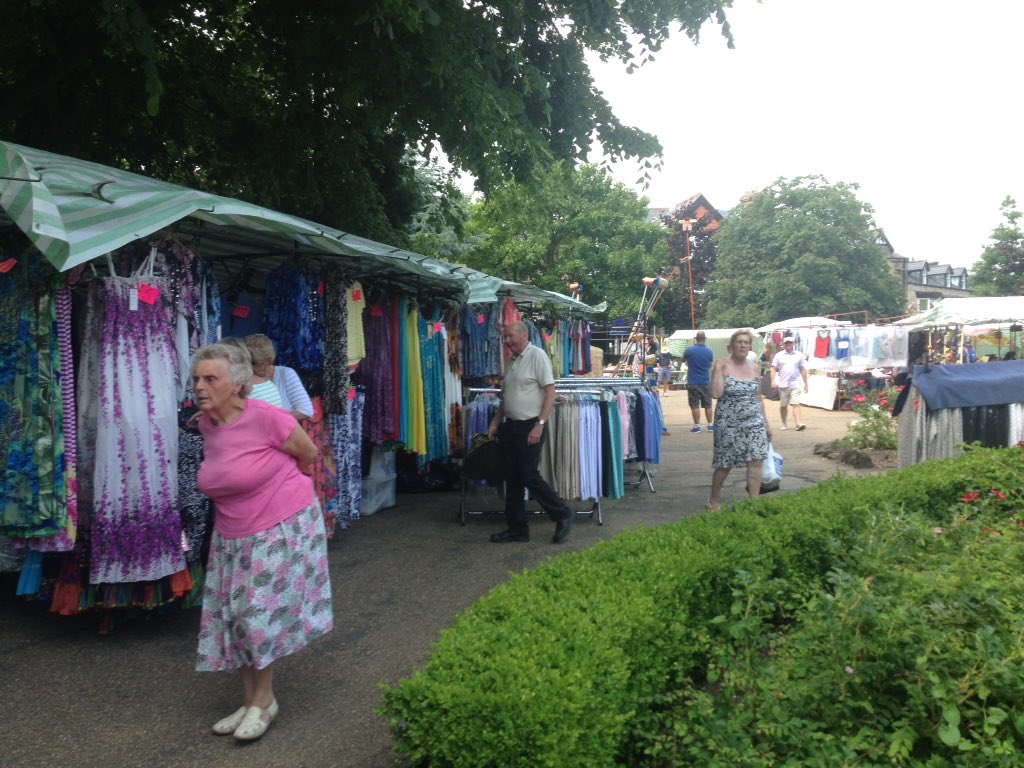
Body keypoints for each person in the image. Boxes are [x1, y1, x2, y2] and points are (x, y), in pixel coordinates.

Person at [191, 343, 332, 741]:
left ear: (237, 384)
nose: (199, 386)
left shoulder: (269, 418)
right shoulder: (206, 424)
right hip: (231, 533)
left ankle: (264, 702)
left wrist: (277, 488)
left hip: (278, 524)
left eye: (210, 378)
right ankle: (249, 698)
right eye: (197, 378)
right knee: (233, 615)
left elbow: (307, 454)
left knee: (256, 614)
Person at [486, 321, 574, 544]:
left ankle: (562, 513)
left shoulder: (537, 356)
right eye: (505, 337)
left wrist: (540, 424)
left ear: (524, 335)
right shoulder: (513, 361)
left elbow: (550, 393)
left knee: (528, 475)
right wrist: (496, 421)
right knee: (513, 479)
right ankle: (517, 529)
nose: (506, 341)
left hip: (530, 427)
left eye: (509, 336)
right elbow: (508, 397)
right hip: (511, 427)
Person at [707, 329, 772, 510]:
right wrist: (718, 370)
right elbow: (715, 393)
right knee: (725, 463)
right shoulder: (723, 365)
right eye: (739, 342)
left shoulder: (755, 367)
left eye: (746, 342)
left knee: (756, 460)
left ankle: (754, 501)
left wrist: (766, 424)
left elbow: (758, 398)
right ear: (731, 346)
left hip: (753, 420)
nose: (743, 345)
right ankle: (714, 500)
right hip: (728, 422)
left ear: (750, 347)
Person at [245, 333, 314, 421]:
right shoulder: (243, 378)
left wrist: (273, 419)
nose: (250, 367)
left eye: (254, 363)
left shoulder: (286, 374)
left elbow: (306, 411)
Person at [771, 336, 809, 431]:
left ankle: (798, 423)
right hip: (783, 383)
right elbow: (773, 368)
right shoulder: (778, 355)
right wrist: (772, 381)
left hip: (795, 383)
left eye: (790, 343)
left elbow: (802, 369)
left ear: (793, 344)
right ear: (783, 344)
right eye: (786, 343)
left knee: (795, 403)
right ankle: (784, 423)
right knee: (783, 405)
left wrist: (806, 383)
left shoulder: (799, 355)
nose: (788, 345)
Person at [682, 330, 714, 433]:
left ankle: (697, 426)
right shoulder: (709, 351)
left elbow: (684, 361)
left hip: (693, 381)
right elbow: (709, 365)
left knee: (694, 405)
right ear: (705, 339)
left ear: (696, 339)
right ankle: (710, 425)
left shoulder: (689, 350)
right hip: (705, 381)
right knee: (708, 404)